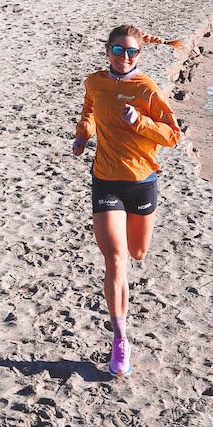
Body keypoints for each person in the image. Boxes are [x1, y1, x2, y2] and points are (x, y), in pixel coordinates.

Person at [72, 24, 183, 376]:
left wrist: (140, 123)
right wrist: (82, 135)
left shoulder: (146, 89)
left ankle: (121, 331)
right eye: (118, 51)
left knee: (137, 252)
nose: (125, 58)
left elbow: (172, 136)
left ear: (140, 54)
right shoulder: (95, 82)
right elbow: (90, 108)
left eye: (132, 52)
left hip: (141, 182)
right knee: (116, 259)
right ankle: (120, 340)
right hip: (105, 180)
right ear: (108, 51)